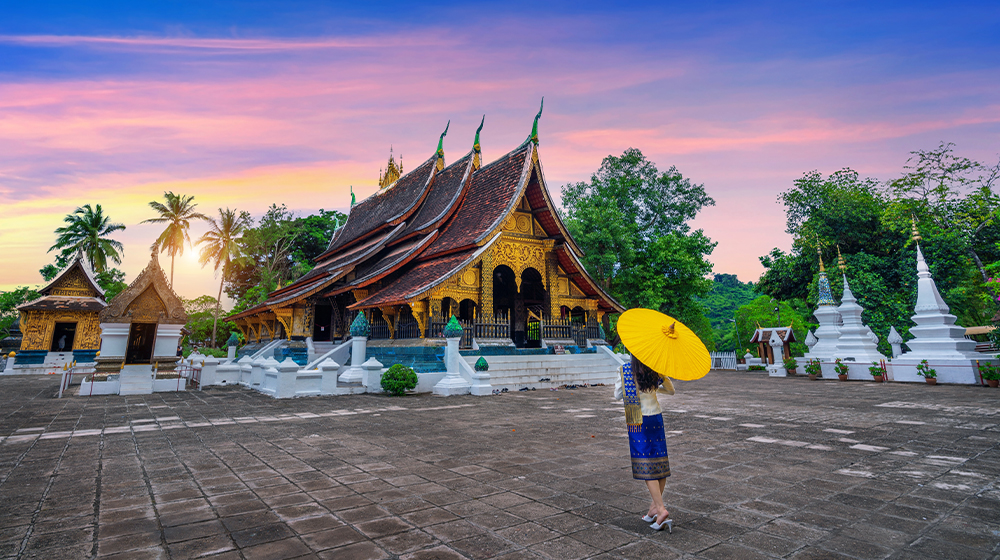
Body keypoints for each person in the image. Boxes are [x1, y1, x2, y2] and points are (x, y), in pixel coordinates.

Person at [615, 355, 674, 532]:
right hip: (656, 418)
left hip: (638, 421)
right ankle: (653, 508)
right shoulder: (656, 369)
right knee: (659, 462)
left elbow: (617, 395)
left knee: (647, 466)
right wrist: (655, 386)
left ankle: (661, 510)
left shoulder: (626, 370)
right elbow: (671, 391)